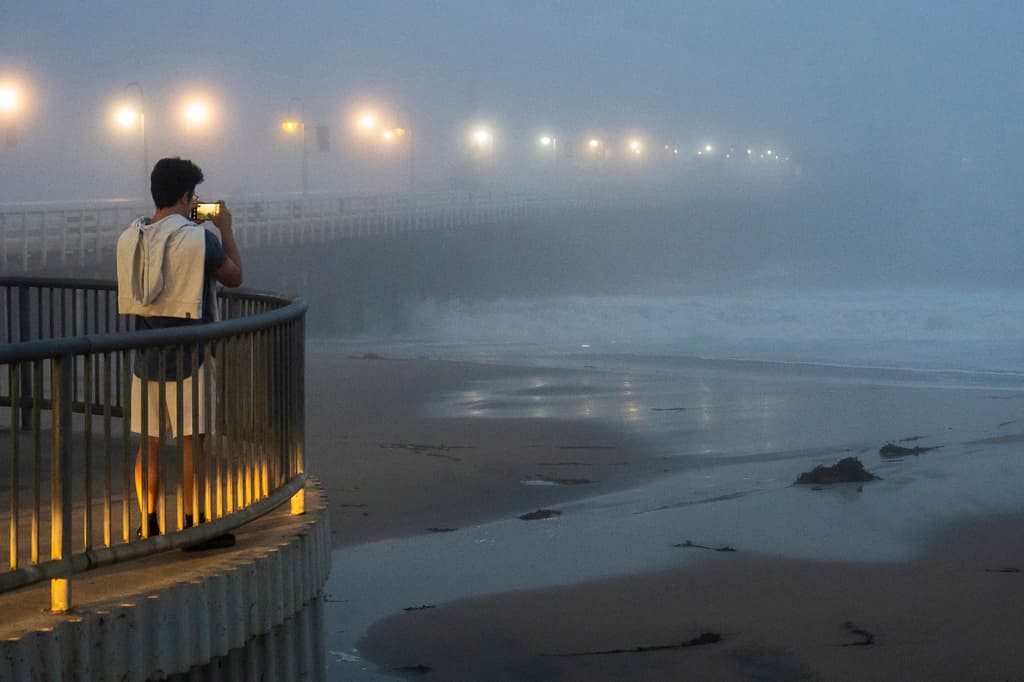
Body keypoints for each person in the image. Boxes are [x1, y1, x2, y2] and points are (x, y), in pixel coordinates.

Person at [116, 157, 243, 545]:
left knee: (150, 443)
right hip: (193, 354)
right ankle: (194, 525)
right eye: (194, 197)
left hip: (145, 355)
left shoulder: (130, 237)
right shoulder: (198, 239)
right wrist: (226, 229)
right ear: (186, 196)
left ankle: (148, 523)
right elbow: (234, 277)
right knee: (193, 441)